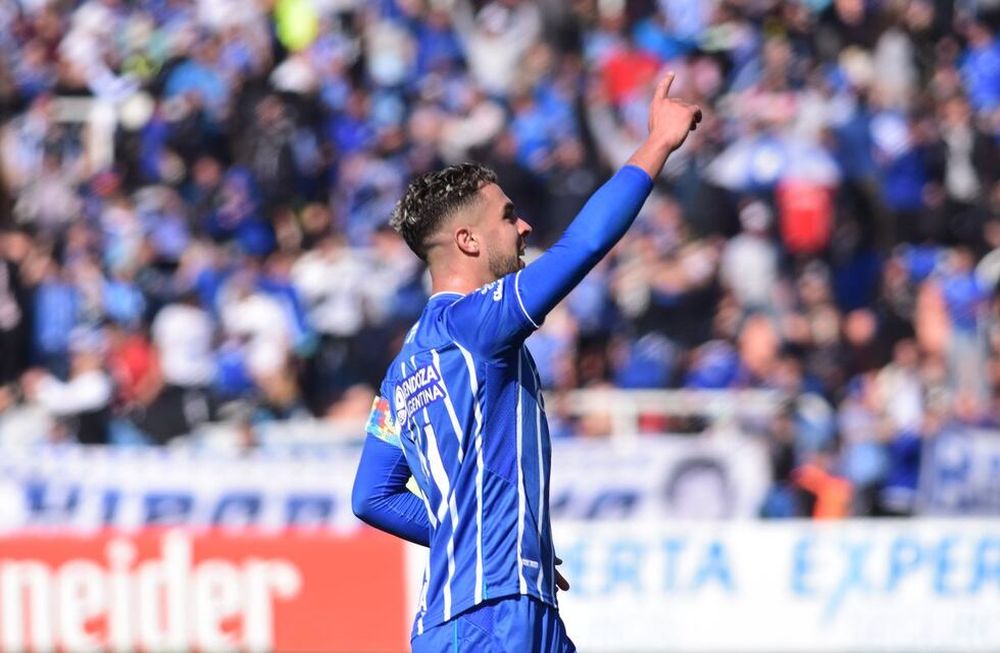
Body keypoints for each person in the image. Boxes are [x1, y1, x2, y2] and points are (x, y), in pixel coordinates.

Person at [351, 71, 700, 652]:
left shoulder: (404, 367)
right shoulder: (477, 325)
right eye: (509, 216)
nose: (525, 226)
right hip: (492, 617)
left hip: (488, 609)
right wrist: (658, 142)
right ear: (467, 240)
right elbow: (582, 246)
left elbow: (373, 496)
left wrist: (488, 535)